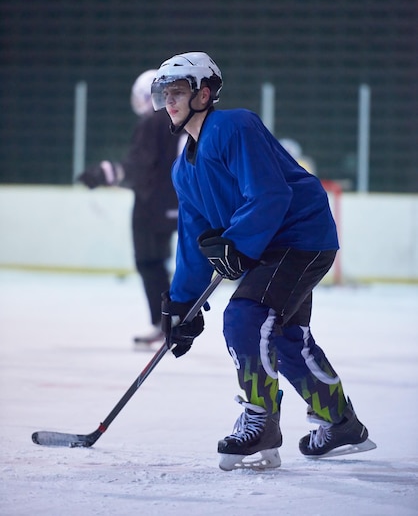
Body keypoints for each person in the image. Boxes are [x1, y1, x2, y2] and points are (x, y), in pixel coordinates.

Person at [150, 51, 376, 471]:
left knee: (246, 317)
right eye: (165, 94)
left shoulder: (235, 125)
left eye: (178, 92)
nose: (170, 102)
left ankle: (261, 422)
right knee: (287, 336)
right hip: (270, 245)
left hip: (299, 237)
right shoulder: (184, 169)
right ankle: (341, 423)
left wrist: (237, 244)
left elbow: (272, 194)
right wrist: (182, 304)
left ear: (205, 93)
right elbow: (195, 239)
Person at [77, 70, 180, 346]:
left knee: (150, 261)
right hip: (184, 202)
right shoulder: (182, 121)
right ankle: (173, 318)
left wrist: (106, 172)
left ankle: (165, 322)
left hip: (152, 205)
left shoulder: (152, 123)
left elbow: (139, 167)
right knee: (179, 262)